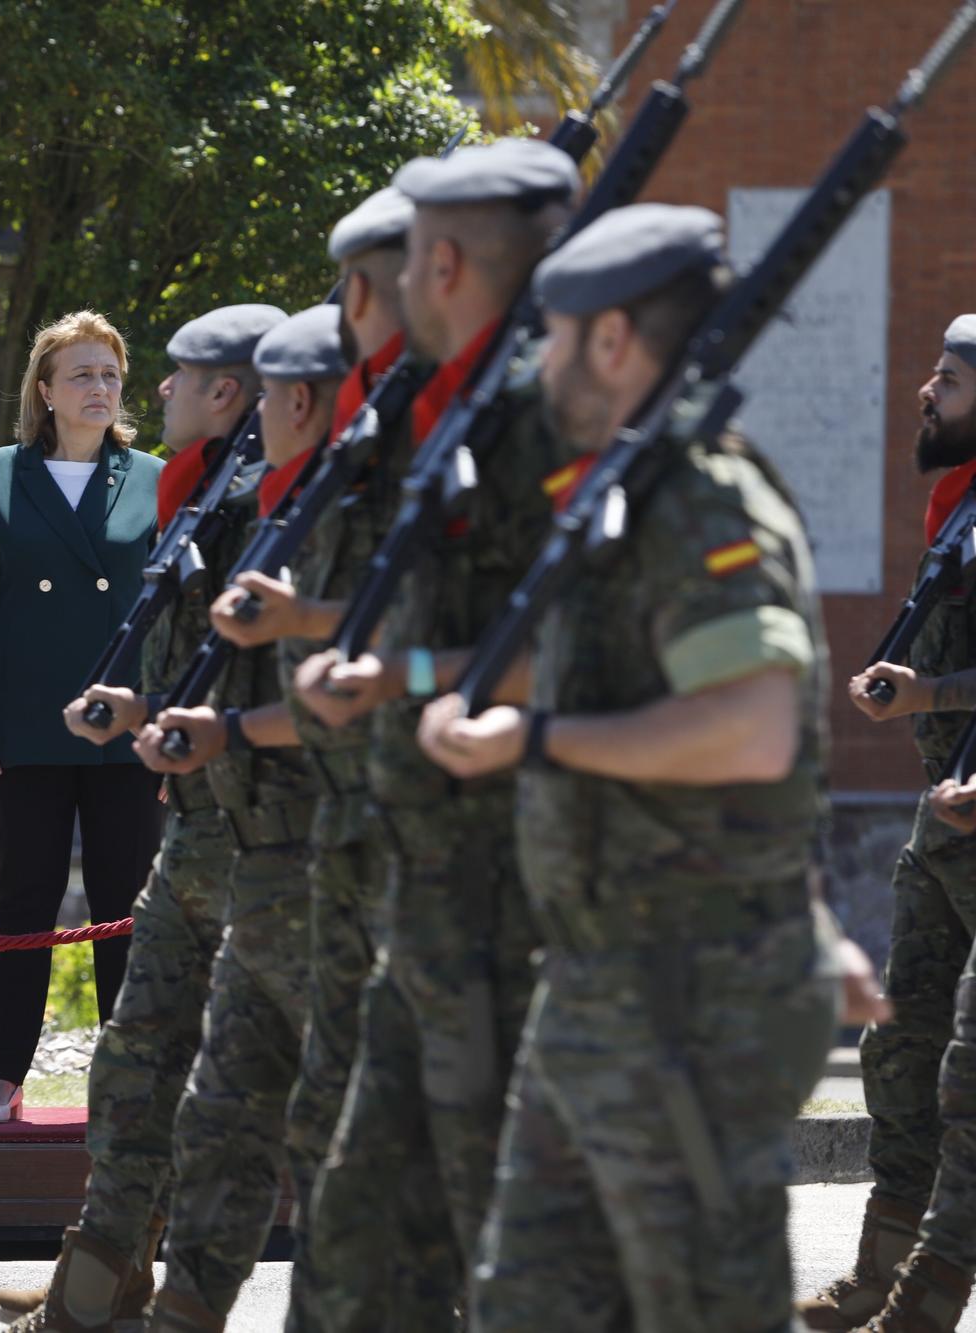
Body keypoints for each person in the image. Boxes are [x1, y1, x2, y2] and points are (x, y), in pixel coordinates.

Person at [415, 203, 839, 1331]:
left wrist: (537, 740)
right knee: (527, 1303)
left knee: (705, 1306)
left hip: (688, 997)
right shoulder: (617, 495)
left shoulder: (701, 500)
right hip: (601, 980)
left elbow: (750, 726)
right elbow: (586, 671)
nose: (540, 363)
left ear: (609, 341)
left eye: (553, 337)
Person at [290, 138, 578, 1326]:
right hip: (428, 886)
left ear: (441, 262)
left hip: (503, 898)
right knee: (357, 1226)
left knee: (496, 1237)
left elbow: (564, 641)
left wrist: (395, 672)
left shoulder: (533, 420)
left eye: (403, 261)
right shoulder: (437, 412)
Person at [0, 302, 282, 1328]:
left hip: (275, 849)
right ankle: (98, 1280)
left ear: (230, 392)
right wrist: (145, 712)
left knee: (236, 1096)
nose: (149, 391)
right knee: (132, 1064)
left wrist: (215, 731)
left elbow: (331, 688)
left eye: (176, 375)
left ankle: (187, 1304)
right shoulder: (202, 495)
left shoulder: (281, 509)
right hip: (201, 829)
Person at [196, 185, 456, 1331]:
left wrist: (299, 659)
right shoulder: (364, 453)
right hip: (345, 841)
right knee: (312, 1131)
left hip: (408, 843)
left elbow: (472, 646)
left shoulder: (449, 443)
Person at [130, 303, 353, 1331]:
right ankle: (159, 1301)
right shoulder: (245, 501)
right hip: (237, 833)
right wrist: (164, 718)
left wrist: (223, 727)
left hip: (315, 850)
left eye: (267, 396)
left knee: (340, 1124)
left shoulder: (335, 513)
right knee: (213, 1112)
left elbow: (355, 689)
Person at [0, 310, 167, 1124]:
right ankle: (1, 1075)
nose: (100, 388)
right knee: (23, 899)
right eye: (81, 374)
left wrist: (175, 723)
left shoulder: (154, 475)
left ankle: (132, 1075)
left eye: (110, 374)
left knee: (126, 903)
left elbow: (177, 611)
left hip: (128, 723)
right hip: (28, 726)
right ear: (45, 391)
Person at [818, 315, 976, 1330]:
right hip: (944, 816)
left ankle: (926, 1295)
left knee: (967, 1070)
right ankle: (880, 1268)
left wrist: (925, 697)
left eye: (950, 379)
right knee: (900, 1041)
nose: (926, 390)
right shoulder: (954, 507)